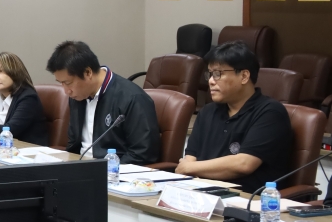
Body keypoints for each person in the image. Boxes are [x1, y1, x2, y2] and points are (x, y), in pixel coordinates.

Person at [176, 41, 291, 192]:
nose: (211, 81)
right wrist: (189, 168)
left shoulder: (270, 112)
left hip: (247, 198)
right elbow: (190, 157)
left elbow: (244, 164)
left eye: (218, 74)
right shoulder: (207, 111)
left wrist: (190, 168)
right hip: (202, 192)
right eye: (209, 74)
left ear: (244, 76)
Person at [46, 41, 159, 164]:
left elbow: (143, 153)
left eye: (68, 83)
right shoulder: (78, 96)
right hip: (80, 166)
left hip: (114, 170)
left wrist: (107, 170)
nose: (66, 91)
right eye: (61, 83)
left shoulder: (133, 98)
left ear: (88, 73)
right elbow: (74, 144)